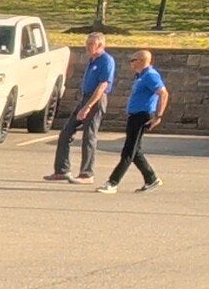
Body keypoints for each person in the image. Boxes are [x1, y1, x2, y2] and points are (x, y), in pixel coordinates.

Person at [56, 29, 116, 181]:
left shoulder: (106, 60)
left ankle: (87, 173)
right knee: (66, 132)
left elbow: (102, 86)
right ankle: (62, 170)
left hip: (96, 100)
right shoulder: (93, 60)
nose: (87, 47)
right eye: (87, 43)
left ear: (100, 45)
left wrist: (88, 106)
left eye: (91, 44)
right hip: (85, 97)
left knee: (89, 136)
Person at [109, 53, 168, 190]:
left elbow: (163, 93)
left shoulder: (150, 76)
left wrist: (158, 116)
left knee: (129, 151)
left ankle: (112, 182)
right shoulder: (141, 76)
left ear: (141, 61)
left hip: (142, 116)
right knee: (136, 151)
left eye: (133, 60)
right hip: (134, 116)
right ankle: (151, 178)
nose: (130, 63)